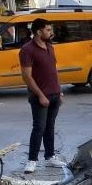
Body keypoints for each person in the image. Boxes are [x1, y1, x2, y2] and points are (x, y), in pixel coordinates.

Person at [20, 18, 66, 174]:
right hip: (40, 96)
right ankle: (32, 160)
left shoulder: (49, 47)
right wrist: (40, 95)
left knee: (50, 127)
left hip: (54, 94)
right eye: (48, 30)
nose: (51, 32)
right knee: (39, 127)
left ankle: (50, 156)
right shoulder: (27, 50)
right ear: (38, 32)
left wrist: (59, 91)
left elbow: (53, 71)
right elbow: (27, 76)